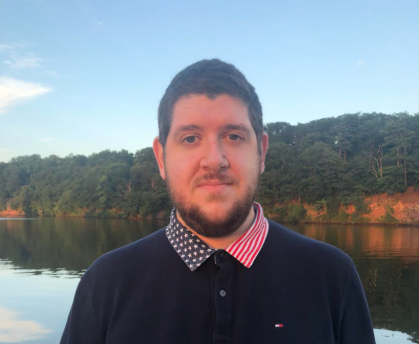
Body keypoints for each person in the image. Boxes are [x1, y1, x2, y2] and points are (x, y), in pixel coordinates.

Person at [61, 59, 376, 344]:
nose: (214, 160)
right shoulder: (105, 283)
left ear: (261, 152)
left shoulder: (332, 275)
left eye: (234, 136)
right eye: (190, 138)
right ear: (161, 157)